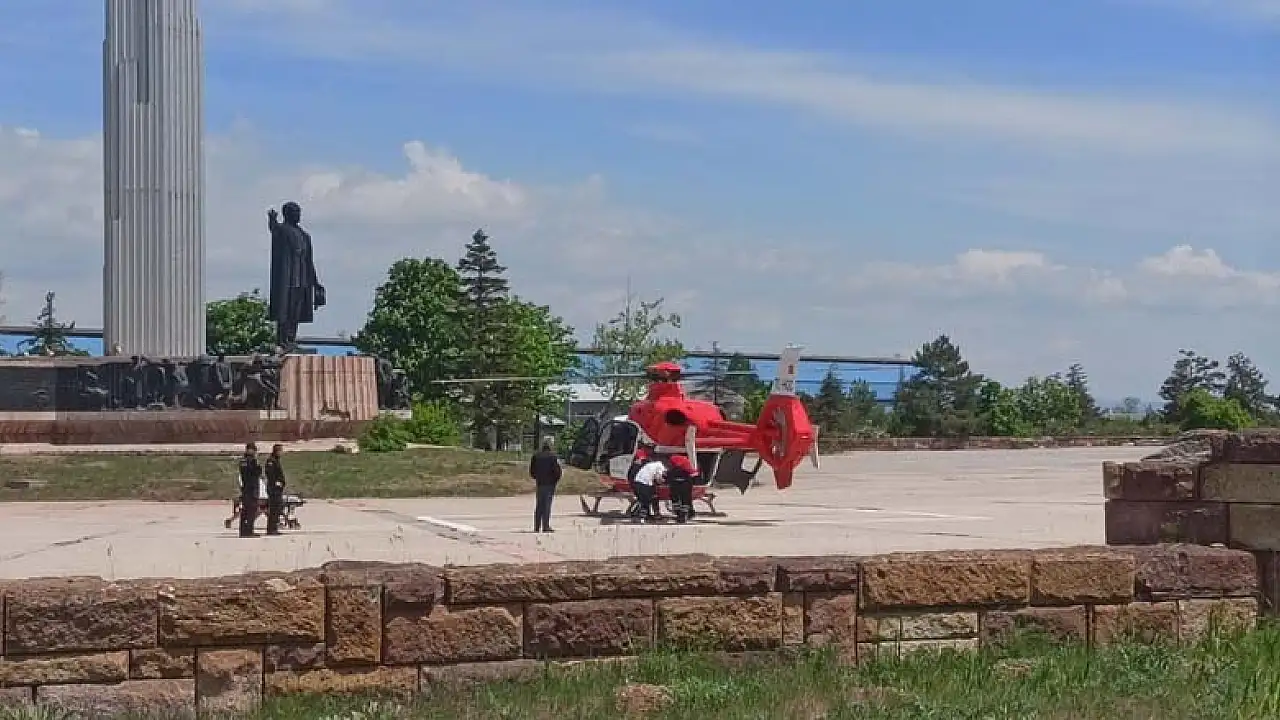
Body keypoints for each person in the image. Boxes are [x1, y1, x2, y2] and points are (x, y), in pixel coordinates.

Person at [528, 438, 562, 533]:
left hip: (540, 483)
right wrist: (555, 480)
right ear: (550, 446)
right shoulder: (552, 457)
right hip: (549, 483)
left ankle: (536, 526)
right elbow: (557, 471)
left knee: (539, 505)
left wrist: (537, 478)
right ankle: (545, 526)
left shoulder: (536, 456)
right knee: (547, 505)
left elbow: (532, 471)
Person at [630, 456, 667, 523]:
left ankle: (646, 516)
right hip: (644, 483)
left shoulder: (651, 465)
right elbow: (659, 478)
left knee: (645, 499)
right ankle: (643, 517)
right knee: (646, 501)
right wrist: (663, 481)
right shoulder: (660, 466)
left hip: (638, 482)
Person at [665, 454, 700, 524]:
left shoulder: (672, 471)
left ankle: (680, 515)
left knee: (676, 500)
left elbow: (667, 479)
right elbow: (694, 475)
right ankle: (685, 515)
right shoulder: (687, 469)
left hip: (675, 486)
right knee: (685, 500)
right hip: (685, 485)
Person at [238, 443, 262, 538]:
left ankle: (246, 530)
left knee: (248, 510)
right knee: (249, 510)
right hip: (250, 489)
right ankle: (247, 531)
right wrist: (256, 463)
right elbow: (255, 472)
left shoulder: (247, 461)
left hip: (249, 488)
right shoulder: (249, 461)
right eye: (254, 450)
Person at [264, 444, 288, 536]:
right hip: (273, 489)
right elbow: (270, 474)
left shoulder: (276, 460)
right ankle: (271, 529)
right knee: (274, 509)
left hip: (277, 489)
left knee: (277, 509)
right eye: (280, 451)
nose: (281, 452)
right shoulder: (271, 461)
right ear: (276, 451)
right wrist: (276, 483)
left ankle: (274, 528)